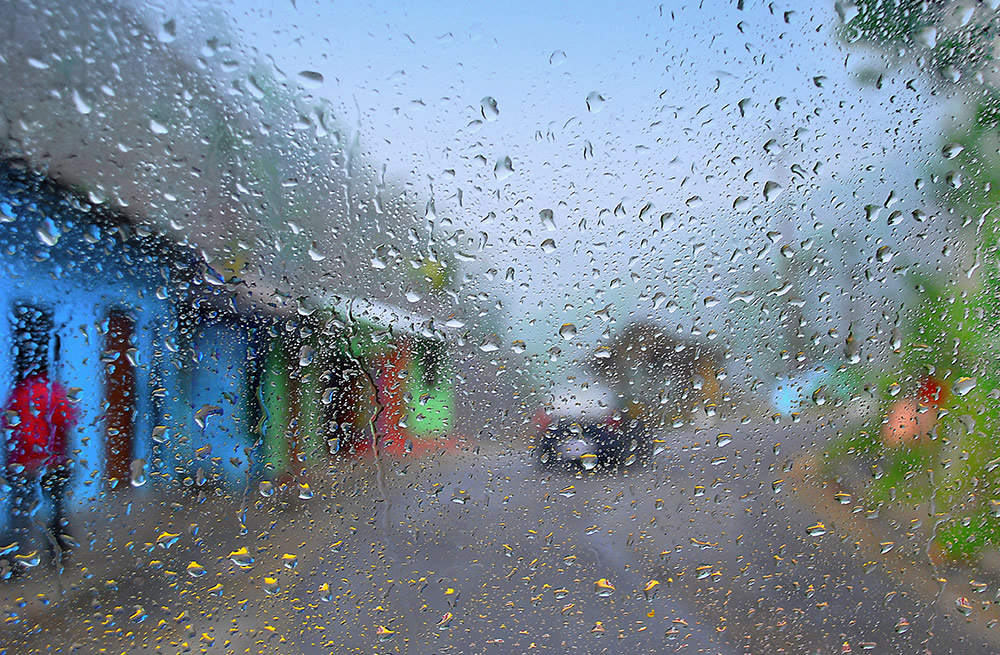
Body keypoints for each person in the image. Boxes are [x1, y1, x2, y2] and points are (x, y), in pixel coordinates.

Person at [2, 365, 77, 564]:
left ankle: (15, 561)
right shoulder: (54, 391)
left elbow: (8, 428)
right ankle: (58, 554)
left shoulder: (19, 393)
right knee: (57, 509)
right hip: (52, 463)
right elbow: (66, 423)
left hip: (24, 465)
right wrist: (66, 457)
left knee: (20, 513)